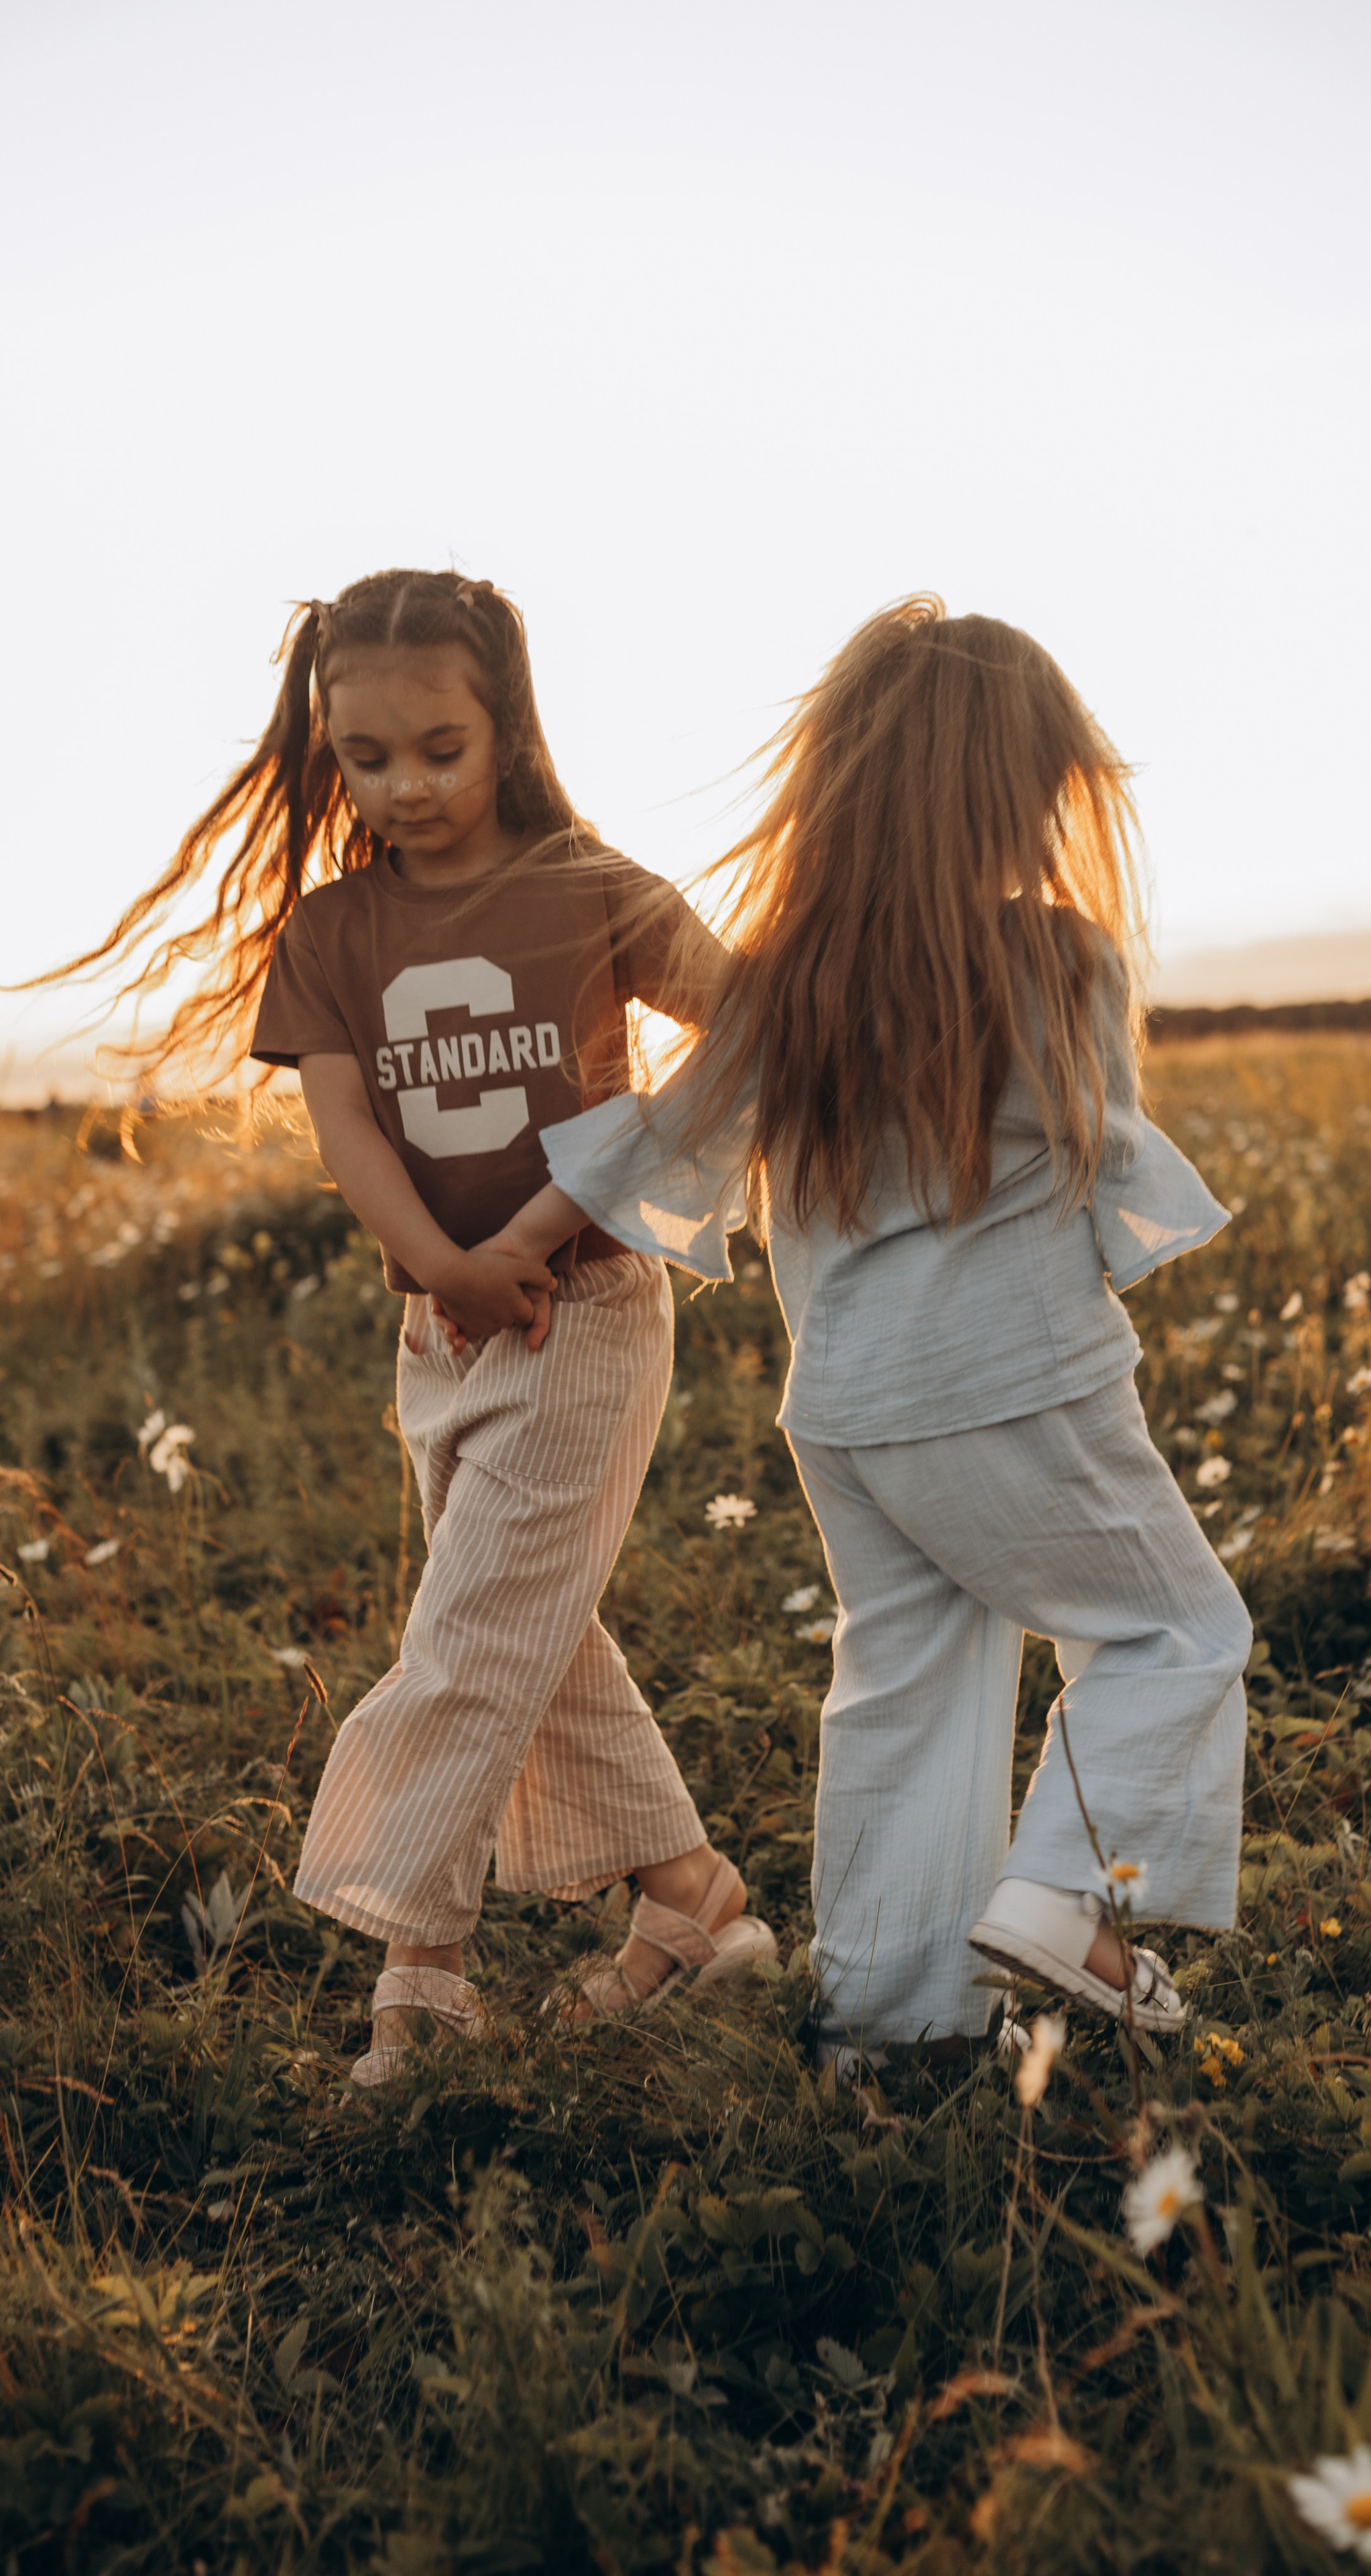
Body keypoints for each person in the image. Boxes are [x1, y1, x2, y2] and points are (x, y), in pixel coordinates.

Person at [465, 596, 1252, 2062]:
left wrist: (501, 1252)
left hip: (845, 1408)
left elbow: (661, 1137)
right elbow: (1109, 1163)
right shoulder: (1062, 963)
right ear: (1016, 805)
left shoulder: (791, 983)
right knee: (1171, 1630)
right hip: (1012, 1382)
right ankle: (1064, 1899)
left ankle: (889, 2020)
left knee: (913, 1670)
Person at [44, 567, 774, 2082]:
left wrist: (538, 1227)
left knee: (462, 1639)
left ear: (505, 724)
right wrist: (441, 1265)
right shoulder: (331, 929)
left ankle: (420, 1975)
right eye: (362, 758)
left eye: (439, 748)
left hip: (582, 1315)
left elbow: (751, 1024)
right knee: (528, 1629)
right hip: (441, 1337)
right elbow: (351, 1134)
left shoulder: (590, 885)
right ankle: (695, 1905)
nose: (403, 788)